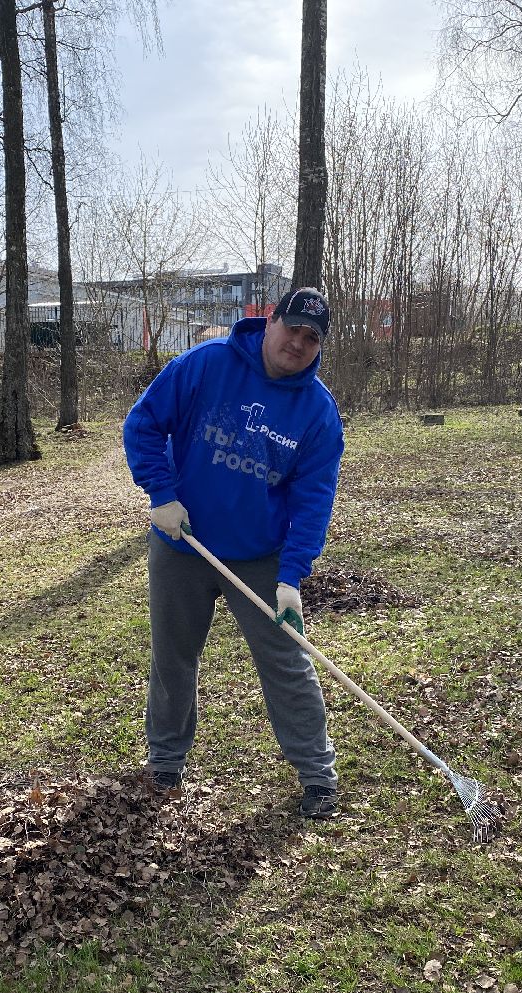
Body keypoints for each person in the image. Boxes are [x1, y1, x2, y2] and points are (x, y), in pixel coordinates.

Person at [122, 286, 345, 818]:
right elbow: (143, 425)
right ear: (269, 321)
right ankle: (165, 762)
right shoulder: (206, 364)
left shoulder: (317, 412)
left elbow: (313, 500)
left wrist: (291, 576)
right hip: (184, 543)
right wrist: (162, 495)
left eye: (312, 338)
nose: (298, 342)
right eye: (292, 328)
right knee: (174, 656)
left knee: (287, 661)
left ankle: (317, 776)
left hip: (259, 555)